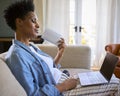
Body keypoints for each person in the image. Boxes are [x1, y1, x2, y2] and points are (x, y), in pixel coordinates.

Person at [4, 0, 78, 96]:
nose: (38, 25)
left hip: (65, 80)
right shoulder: (16, 55)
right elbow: (34, 93)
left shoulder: (32, 47)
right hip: (60, 90)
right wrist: (64, 86)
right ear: (19, 22)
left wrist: (60, 53)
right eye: (33, 21)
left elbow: (48, 70)